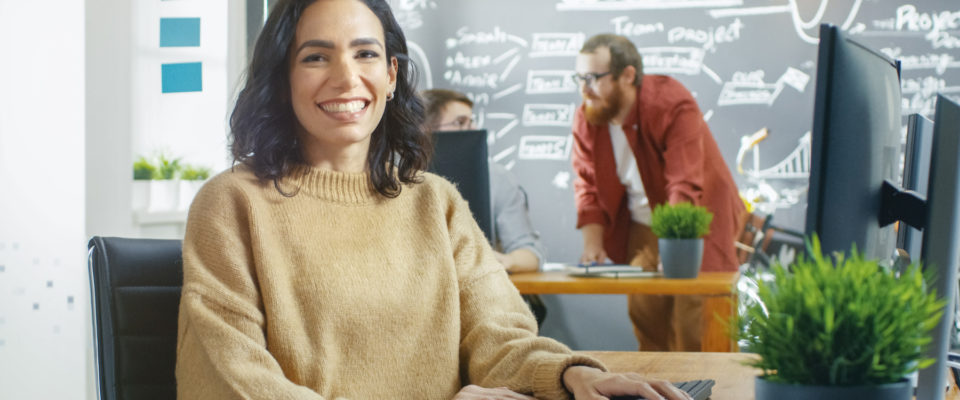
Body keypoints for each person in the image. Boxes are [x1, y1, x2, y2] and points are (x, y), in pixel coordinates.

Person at [174, 1, 691, 399]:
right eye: (315, 56)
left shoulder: (436, 202)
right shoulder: (231, 205)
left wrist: (569, 373)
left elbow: (500, 336)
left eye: (366, 53)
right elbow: (232, 384)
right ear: (282, 78)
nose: (346, 77)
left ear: (392, 75)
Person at [570, 34, 745, 352]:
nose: (584, 89)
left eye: (594, 78)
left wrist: (677, 246)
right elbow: (587, 185)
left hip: (695, 222)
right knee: (647, 320)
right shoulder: (588, 115)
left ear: (627, 76)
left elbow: (684, 182)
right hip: (642, 225)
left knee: (697, 328)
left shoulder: (670, 102)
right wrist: (592, 245)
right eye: (580, 78)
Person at [421, 88, 544, 274]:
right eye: (460, 123)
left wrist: (506, 261)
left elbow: (531, 254)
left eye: (472, 122)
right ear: (426, 130)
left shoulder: (498, 178)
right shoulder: (394, 176)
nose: (473, 130)